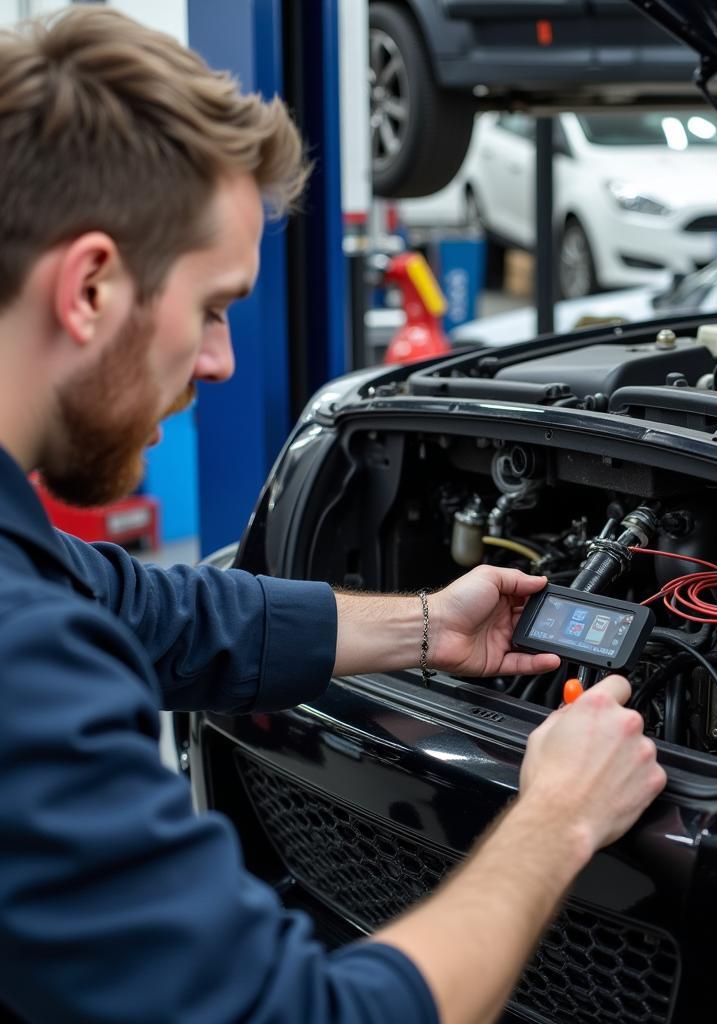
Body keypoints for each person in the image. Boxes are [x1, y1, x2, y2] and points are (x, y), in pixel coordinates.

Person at [0, 9, 667, 1024]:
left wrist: (428, 629)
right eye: (214, 306)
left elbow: (143, 607)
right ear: (91, 285)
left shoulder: (24, 578)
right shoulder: (24, 663)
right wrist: (557, 820)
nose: (220, 362)